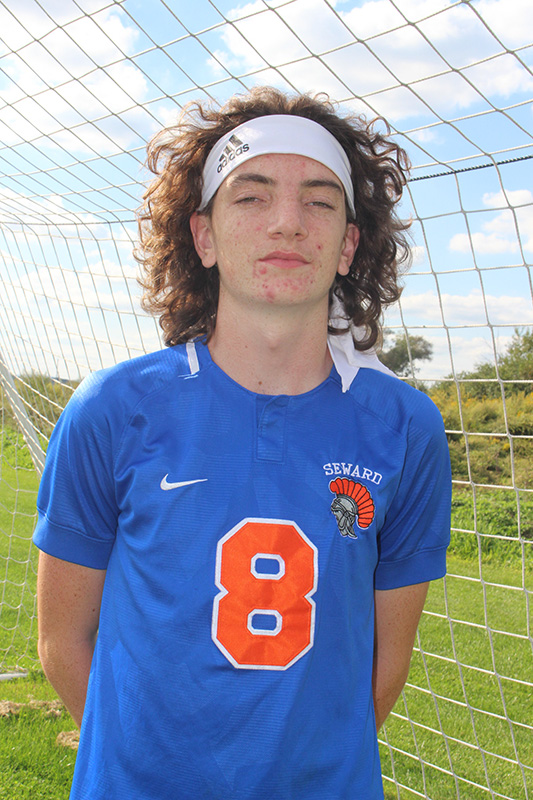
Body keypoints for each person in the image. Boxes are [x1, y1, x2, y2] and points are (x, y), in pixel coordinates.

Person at [34, 87, 451, 799]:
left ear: (348, 244)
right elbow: (63, 642)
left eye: (320, 202)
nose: (288, 223)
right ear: (203, 236)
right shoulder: (112, 408)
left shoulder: (405, 426)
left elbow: (384, 662)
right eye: (251, 197)